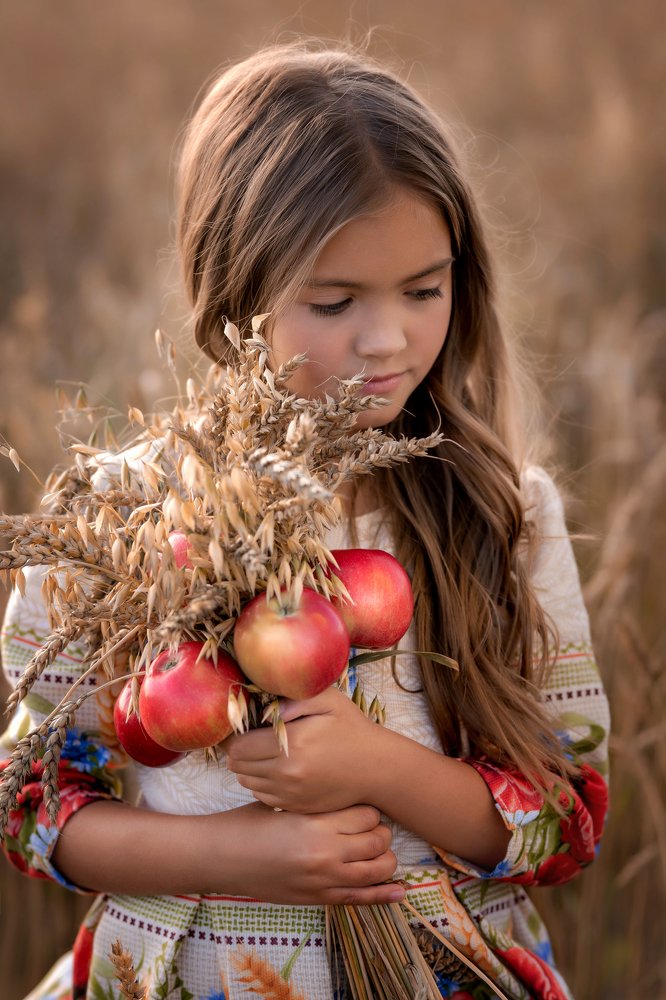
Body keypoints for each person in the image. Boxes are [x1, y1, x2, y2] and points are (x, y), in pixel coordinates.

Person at [1, 41, 610, 1000]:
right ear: (233, 296)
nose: (388, 338)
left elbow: (569, 822)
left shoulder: (502, 514)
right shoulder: (122, 522)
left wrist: (382, 768)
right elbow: (33, 810)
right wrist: (235, 856)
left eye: (425, 289)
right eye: (332, 302)